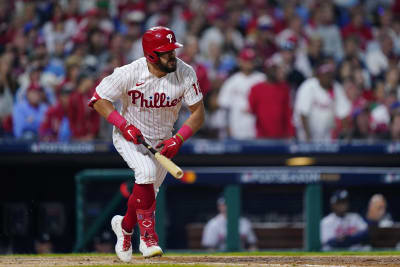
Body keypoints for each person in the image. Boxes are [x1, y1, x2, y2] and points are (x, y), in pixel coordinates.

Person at [89, 26, 204, 261]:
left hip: (164, 141)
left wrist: (178, 138)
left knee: (148, 190)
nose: (173, 55)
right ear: (151, 55)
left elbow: (198, 114)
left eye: (173, 50)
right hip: (129, 135)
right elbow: (98, 99)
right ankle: (148, 238)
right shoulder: (129, 72)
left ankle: (125, 227)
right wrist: (123, 125)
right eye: (166, 52)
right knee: (146, 172)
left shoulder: (185, 72)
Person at [294, 59, 351, 141]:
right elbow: (303, 114)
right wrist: (308, 137)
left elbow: (343, 114)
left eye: (330, 74)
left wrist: (346, 135)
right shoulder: (308, 86)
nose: (328, 77)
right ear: (319, 76)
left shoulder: (336, 88)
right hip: (305, 134)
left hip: (326, 136)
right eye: (326, 74)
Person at [217, 48, 266, 139]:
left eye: (251, 61)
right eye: (246, 60)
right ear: (240, 62)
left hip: (257, 128)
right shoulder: (232, 81)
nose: (249, 63)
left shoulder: (262, 79)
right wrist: (227, 128)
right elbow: (223, 106)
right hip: (237, 127)